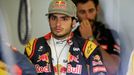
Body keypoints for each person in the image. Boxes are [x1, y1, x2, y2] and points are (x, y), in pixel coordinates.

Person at [24, 0, 108, 75]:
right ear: (48, 20)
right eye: (54, 18)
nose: (58, 24)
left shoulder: (88, 48)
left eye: (64, 19)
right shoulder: (33, 47)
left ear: (74, 22)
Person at [72, 0, 120, 75]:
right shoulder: (70, 38)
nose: (87, 16)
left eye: (91, 11)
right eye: (82, 12)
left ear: (97, 9)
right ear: (76, 14)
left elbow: (113, 69)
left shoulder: (110, 34)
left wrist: (91, 38)